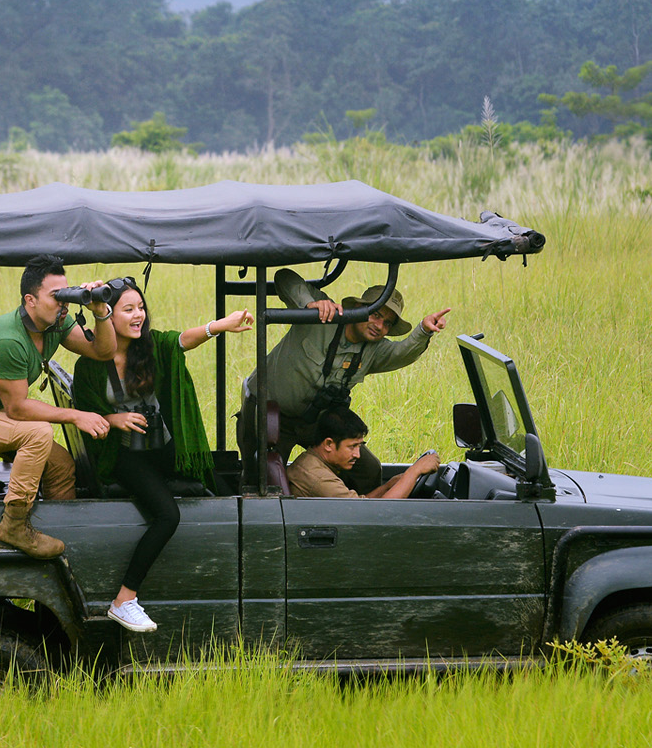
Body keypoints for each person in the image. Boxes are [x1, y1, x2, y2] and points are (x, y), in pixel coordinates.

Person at [70, 281, 253, 632]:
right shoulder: (90, 365)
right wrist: (114, 419)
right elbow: (86, 415)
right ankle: (124, 600)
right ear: (106, 315)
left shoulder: (151, 348)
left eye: (140, 307)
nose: (138, 315)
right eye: (128, 309)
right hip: (123, 454)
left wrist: (222, 325)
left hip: (161, 444)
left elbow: (182, 340)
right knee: (168, 515)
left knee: (213, 475)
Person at [0, 255, 119, 559]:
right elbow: (17, 409)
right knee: (38, 433)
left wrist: (100, 313)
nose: (64, 303)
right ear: (30, 300)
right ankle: (14, 527)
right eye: (55, 297)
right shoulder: (8, 339)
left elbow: (104, 350)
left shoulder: (55, 323)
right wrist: (75, 415)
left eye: (66, 294)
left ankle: (64, 539)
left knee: (61, 466)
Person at [239, 269, 451, 492]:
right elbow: (284, 278)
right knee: (263, 477)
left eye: (387, 323)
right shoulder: (323, 313)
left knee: (369, 469)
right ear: (357, 308)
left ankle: (358, 515)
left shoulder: (374, 350)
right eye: (376, 314)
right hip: (270, 416)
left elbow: (402, 353)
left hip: (314, 422)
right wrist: (308, 305)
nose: (379, 326)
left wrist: (424, 330)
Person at [286, 407, 442, 499]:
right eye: (352, 446)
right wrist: (414, 472)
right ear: (328, 444)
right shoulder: (319, 478)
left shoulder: (313, 463)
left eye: (359, 446)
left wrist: (387, 486)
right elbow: (372, 513)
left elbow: (361, 503)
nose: (357, 455)